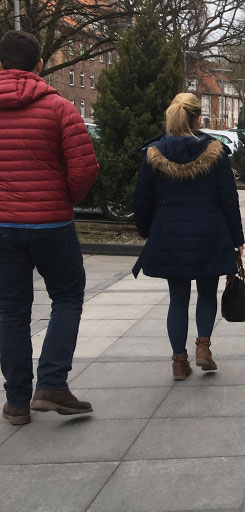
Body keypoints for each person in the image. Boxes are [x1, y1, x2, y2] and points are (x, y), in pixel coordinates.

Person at [0, 31, 99, 425]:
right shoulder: (60, 108)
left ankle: (17, 402)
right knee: (68, 296)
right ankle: (52, 384)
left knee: (10, 310)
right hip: (52, 224)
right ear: (40, 65)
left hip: (2, 226)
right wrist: (63, 198)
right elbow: (85, 169)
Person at [133, 93, 245, 380]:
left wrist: (146, 231)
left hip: (170, 233)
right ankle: (203, 347)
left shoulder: (153, 153)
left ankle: (178, 362)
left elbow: (142, 199)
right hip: (210, 232)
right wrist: (237, 239)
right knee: (207, 292)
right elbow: (229, 199)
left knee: (178, 298)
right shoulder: (216, 153)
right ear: (197, 119)